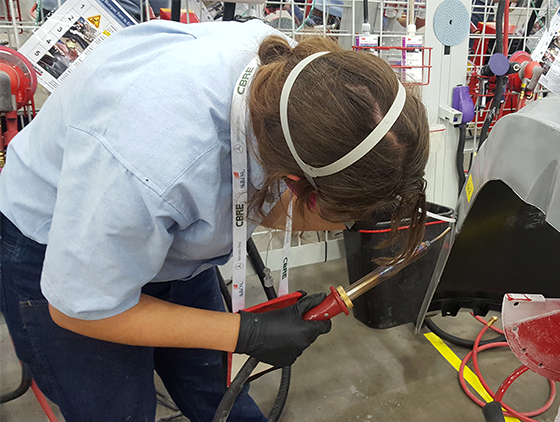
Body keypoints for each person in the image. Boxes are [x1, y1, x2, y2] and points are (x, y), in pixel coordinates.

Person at [0, 18, 429, 422]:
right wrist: (244, 333)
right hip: (56, 247)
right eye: (348, 217)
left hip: (163, 234)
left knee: (216, 387)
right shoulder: (152, 163)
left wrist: (242, 330)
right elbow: (81, 308)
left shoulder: (304, 86)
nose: (351, 225)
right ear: (295, 183)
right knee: (118, 408)